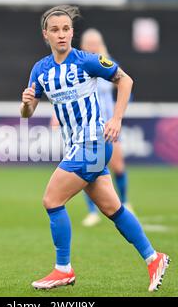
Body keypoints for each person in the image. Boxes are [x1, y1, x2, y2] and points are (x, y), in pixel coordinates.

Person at [20, 5, 170, 292]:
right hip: (76, 145)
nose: (61, 34)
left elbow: (125, 80)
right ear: (46, 35)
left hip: (93, 143)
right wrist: (26, 103)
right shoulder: (40, 70)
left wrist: (116, 118)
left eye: (66, 29)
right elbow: (27, 113)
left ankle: (63, 269)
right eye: (55, 30)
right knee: (113, 208)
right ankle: (154, 258)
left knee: (52, 200)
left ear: (72, 32)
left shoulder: (87, 61)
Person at [51, 28, 134, 227]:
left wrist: (117, 115)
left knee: (117, 167)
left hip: (108, 126)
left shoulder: (107, 63)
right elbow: (63, 96)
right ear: (83, 45)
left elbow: (125, 85)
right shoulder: (76, 67)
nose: (92, 46)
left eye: (95, 43)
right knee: (88, 170)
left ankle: (124, 202)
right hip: (84, 129)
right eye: (89, 43)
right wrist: (56, 116)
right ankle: (92, 211)